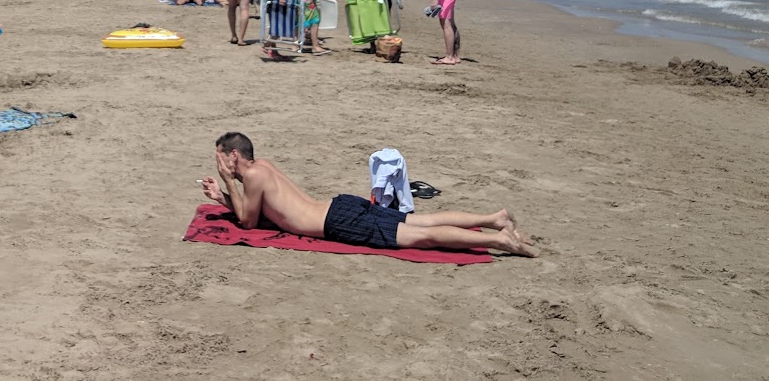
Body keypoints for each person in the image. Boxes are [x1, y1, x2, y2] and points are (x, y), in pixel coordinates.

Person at [201, 132, 536, 256]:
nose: (220, 163)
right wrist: (222, 198)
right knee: (422, 221)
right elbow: (259, 211)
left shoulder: (253, 175)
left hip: (338, 221)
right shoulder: (263, 167)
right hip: (342, 205)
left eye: (221, 156)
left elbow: (248, 223)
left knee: (423, 238)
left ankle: (499, 241)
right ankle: (494, 219)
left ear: (233, 156)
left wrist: (227, 182)